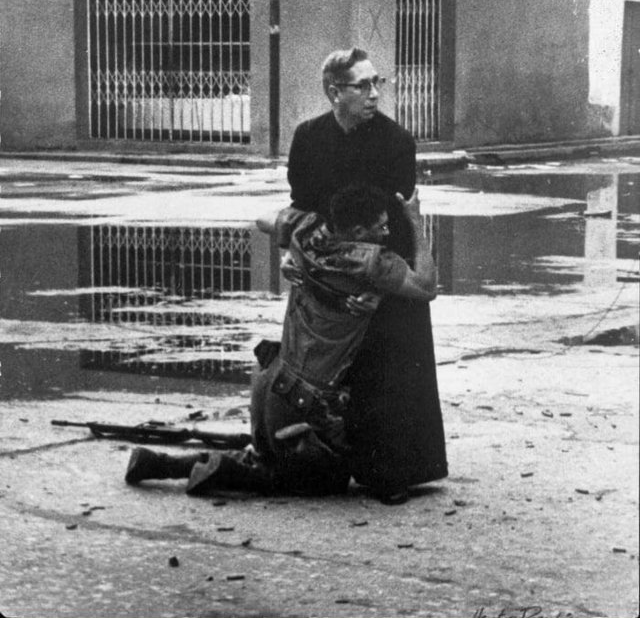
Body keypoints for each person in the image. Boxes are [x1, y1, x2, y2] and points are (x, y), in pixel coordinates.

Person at [124, 183, 436, 502]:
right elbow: (427, 286)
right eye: (380, 226)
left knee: (269, 455)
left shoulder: (306, 225)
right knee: (321, 478)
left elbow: (262, 219)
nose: (386, 233)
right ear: (357, 230)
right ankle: (227, 472)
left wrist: (289, 252)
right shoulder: (371, 261)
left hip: (268, 380)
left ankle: (158, 464)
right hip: (306, 400)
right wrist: (415, 220)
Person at [286, 46, 448, 502]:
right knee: (321, 370)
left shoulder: (396, 142)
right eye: (364, 85)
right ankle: (326, 460)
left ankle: (392, 471)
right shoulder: (308, 139)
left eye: (378, 83)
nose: (375, 93)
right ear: (334, 92)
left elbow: (397, 224)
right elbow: (302, 210)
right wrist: (296, 259)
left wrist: (382, 291)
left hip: (384, 268)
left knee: (391, 366)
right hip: (329, 271)